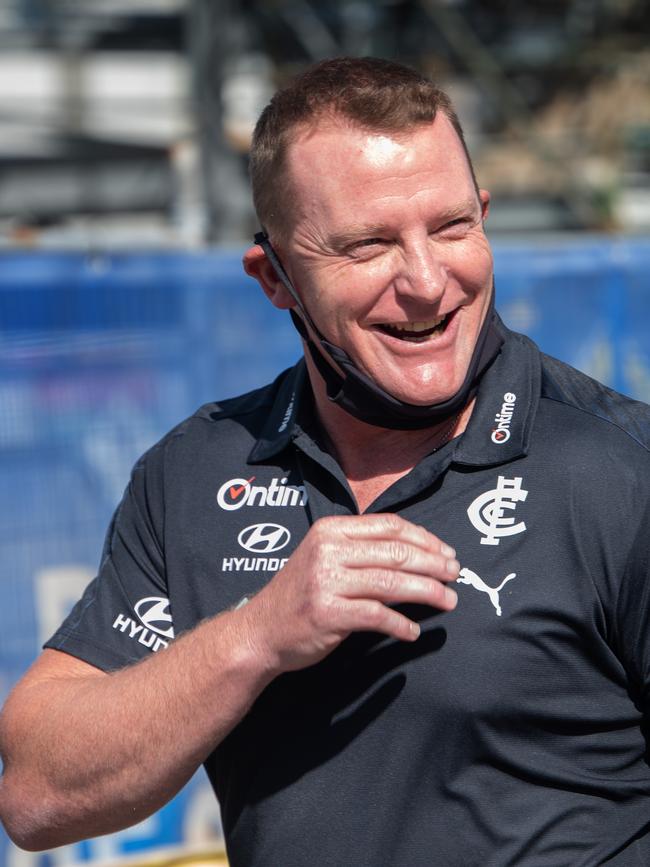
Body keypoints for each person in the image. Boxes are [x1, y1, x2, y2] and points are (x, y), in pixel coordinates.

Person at [1, 56, 650, 867]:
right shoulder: (196, 470)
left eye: (452, 227)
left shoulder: (623, 467)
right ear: (274, 276)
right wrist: (257, 634)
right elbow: (35, 793)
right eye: (368, 244)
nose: (425, 281)